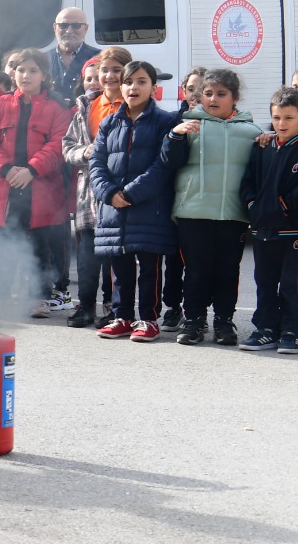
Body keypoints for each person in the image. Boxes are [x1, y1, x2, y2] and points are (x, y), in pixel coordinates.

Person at [0, 48, 73, 319]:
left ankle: (39, 297)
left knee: (40, 245)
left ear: (44, 75)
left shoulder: (57, 107)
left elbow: (59, 145)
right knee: (2, 243)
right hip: (4, 187)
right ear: (13, 74)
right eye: (20, 70)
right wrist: (5, 169)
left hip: (41, 188)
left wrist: (31, 170)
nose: (26, 75)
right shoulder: (0, 105)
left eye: (33, 70)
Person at [166, 68, 259, 347]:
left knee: (228, 271)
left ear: (235, 98)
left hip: (233, 214)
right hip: (193, 211)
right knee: (196, 270)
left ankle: (223, 321)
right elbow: (169, 163)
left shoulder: (252, 132)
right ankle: (193, 320)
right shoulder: (188, 125)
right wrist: (175, 136)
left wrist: (266, 142)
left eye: (221, 94)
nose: (213, 99)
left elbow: (260, 170)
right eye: (208, 93)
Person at [90, 61, 180, 342]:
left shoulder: (165, 121)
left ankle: (149, 320)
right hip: (114, 209)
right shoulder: (109, 121)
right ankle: (123, 317)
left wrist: (129, 193)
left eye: (142, 81)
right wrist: (109, 193)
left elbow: (162, 167)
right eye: (128, 82)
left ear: (154, 87)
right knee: (119, 267)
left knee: (149, 268)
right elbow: (96, 162)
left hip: (148, 207)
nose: (133, 87)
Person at [61, 54, 123, 328]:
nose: (109, 76)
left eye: (117, 70)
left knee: (116, 256)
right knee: (87, 256)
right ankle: (85, 305)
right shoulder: (87, 107)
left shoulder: (133, 105)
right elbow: (67, 146)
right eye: (104, 71)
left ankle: (114, 307)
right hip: (88, 195)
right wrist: (83, 151)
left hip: (118, 192)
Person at [237, 88, 298, 352]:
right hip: (262, 228)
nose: (281, 123)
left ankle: (291, 330)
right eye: (277, 117)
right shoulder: (262, 146)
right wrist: (253, 205)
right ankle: (265, 328)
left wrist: (283, 206)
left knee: (291, 282)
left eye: (289, 118)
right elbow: (248, 181)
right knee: (264, 280)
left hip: (292, 230)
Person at [43, 7, 100, 106]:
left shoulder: (100, 58)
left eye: (76, 25)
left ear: (86, 28)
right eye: (63, 25)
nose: (69, 31)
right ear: (55, 28)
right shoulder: (42, 60)